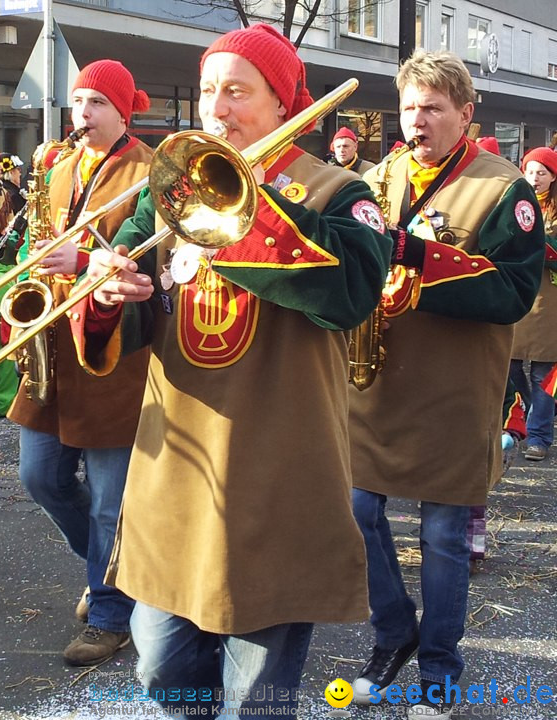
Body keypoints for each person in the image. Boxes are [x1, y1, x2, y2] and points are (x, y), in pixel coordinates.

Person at [77, 24, 390, 716]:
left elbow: (350, 294)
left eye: (238, 92)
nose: (217, 109)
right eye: (209, 92)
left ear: (283, 105)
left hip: (278, 466)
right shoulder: (171, 191)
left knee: (257, 698)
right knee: (160, 667)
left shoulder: (336, 194)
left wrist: (243, 199)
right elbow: (127, 308)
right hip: (176, 469)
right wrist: (107, 292)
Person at [348, 50, 544, 719]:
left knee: (441, 538)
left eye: (433, 108)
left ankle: (439, 671)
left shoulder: (503, 188)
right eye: (408, 107)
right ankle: (392, 631)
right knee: (356, 510)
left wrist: (415, 255)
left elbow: (515, 290)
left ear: (465, 113)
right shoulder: (380, 175)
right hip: (379, 382)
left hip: (456, 391)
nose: (418, 120)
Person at [7, 59, 152, 667]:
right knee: (39, 477)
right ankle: (104, 570)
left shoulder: (147, 171)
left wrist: (82, 256)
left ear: (122, 111)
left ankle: (111, 613)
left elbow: (153, 252)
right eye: (77, 102)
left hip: (114, 350)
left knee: (108, 499)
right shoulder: (59, 167)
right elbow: (34, 246)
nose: (82, 115)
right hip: (56, 345)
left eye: (95, 103)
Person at [509, 146, 557, 461]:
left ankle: (540, 435)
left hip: (549, 301)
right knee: (510, 366)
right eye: (530, 171)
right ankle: (529, 417)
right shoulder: (513, 204)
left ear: (553, 177)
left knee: (544, 372)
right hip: (517, 297)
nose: (535, 177)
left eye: (542, 172)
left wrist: (544, 247)